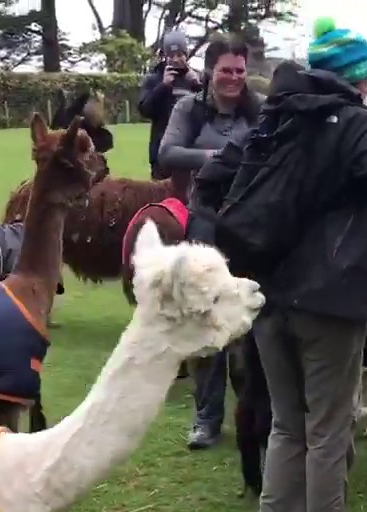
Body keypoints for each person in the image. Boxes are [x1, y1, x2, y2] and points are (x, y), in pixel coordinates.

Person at [188, 18, 367, 512]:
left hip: (267, 294)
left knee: (288, 425)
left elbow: (209, 180)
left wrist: (246, 246)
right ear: (357, 80)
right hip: (330, 303)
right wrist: (352, 245)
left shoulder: (273, 117)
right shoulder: (357, 125)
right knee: (327, 431)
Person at [159, 33, 264, 451]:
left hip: (250, 226)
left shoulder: (258, 110)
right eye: (226, 70)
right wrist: (217, 159)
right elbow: (167, 152)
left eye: (240, 71)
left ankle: (255, 411)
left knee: (250, 321)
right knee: (204, 318)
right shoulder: (189, 108)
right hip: (203, 224)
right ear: (210, 71)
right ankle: (207, 417)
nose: (234, 78)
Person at [137, 30, 204, 180]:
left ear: (186, 55)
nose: (175, 60)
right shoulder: (153, 78)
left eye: (180, 55)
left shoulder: (196, 78)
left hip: (191, 151)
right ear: (164, 56)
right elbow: (144, 110)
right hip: (162, 151)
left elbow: (211, 109)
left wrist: (198, 86)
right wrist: (163, 86)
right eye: (171, 56)